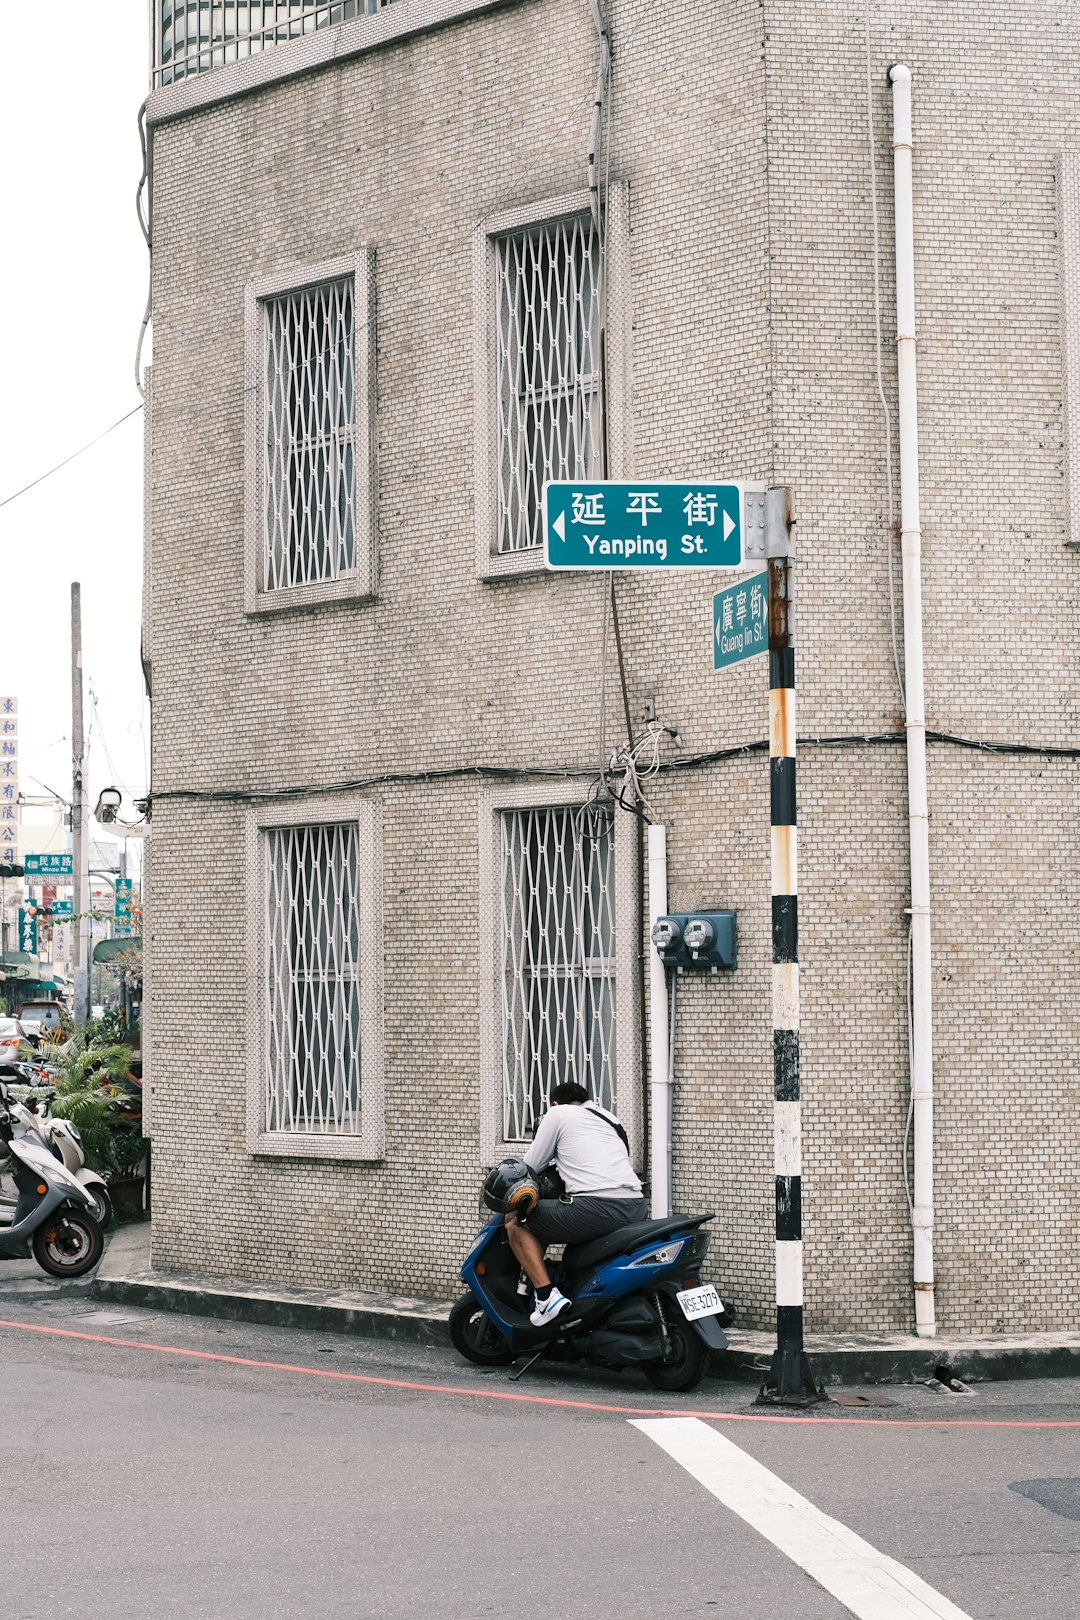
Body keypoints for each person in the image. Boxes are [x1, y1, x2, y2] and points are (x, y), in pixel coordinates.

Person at [506, 1081, 649, 1327]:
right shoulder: (609, 1118)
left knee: (516, 1223)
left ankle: (545, 1297)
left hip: (596, 1208)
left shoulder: (558, 1114)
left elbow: (531, 1167)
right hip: (636, 1205)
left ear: (554, 1103)